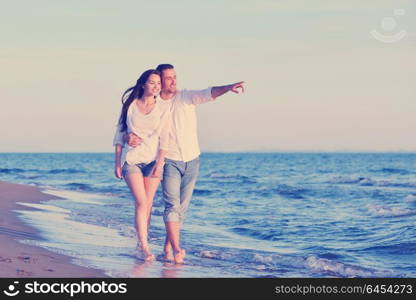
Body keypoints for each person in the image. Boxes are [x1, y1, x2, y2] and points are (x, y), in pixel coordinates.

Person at [127, 64, 244, 264]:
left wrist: (228, 87)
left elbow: (208, 93)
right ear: (159, 81)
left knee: (181, 209)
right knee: (170, 206)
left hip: (192, 158)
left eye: (175, 77)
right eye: (169, 78)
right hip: (168, 159)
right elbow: (139, 125)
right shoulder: (154, 105)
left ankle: (168, 246)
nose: (174, 81)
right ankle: (172, 248)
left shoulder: (186, 97)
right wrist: (129, 137)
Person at [113, 69, 171, 262]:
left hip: (153, 161)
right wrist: (117, 162)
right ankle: (145, 247)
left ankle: (140, 243)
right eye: (152, 82)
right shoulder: (130, 105)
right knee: (141, 202)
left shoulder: (163, 108)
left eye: (158, 83)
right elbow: (120, 132)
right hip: (132, 160)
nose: (156, 86)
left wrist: (160, 164)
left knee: (147, 205)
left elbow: (165, 138)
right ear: (143, 84)